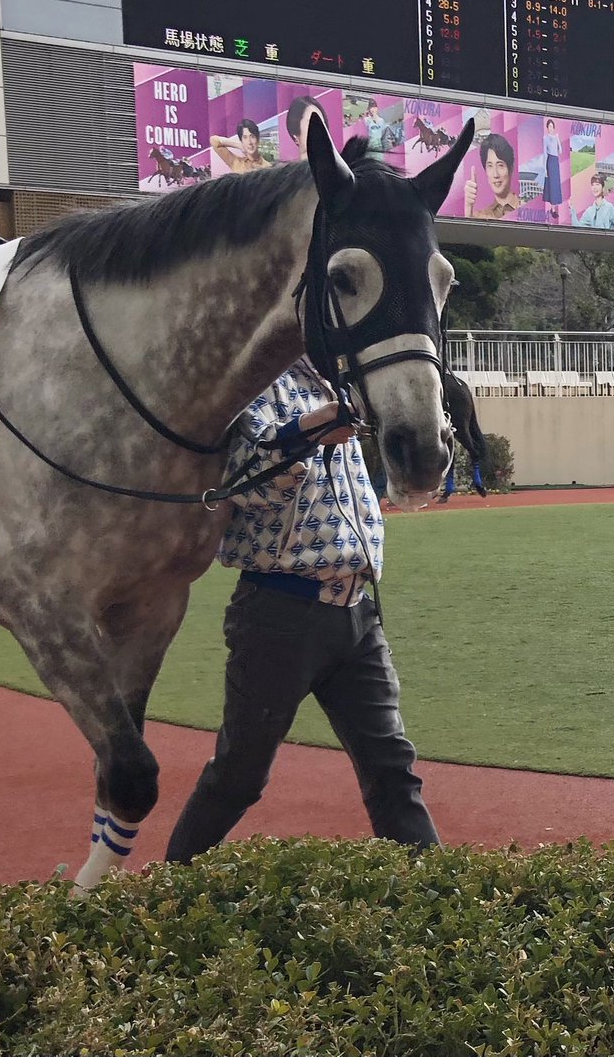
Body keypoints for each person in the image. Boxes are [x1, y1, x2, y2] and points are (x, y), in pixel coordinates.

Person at [165, 359, 441, 866]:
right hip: (279, 614)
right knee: (240, 775)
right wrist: (310, 429)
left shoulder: (343, 380)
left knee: (392, 769)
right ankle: (165, 888)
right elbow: (247, 487)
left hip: (357, 614)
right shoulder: (252, 381)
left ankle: (444, 901)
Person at [464, 133, 521, 219]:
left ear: (511, 168)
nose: (495, 174)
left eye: (500, 165)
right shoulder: (479, 217)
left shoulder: (526, 210)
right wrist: (468, 207)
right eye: (490, 166)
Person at [285, 96, 324, 160]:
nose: (319, 129)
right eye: (312, 123)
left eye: (322, 123)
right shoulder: (291, 169)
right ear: (295, 135)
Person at [542, 118, 563, 220]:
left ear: (554, 128)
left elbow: (561, 150)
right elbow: (545, 154)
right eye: (549, 126)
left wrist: (558, 139)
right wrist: (545, 169)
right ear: (547, 128)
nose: (551, 128)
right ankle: (553, 209)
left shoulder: (556, 137)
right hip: (550, 161)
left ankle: (553, 209)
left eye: (552, 126)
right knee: (551, 185)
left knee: (555, 184)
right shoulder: (545, 138)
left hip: (556, 161)